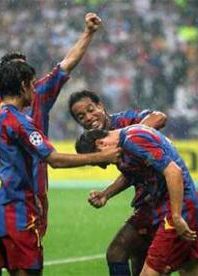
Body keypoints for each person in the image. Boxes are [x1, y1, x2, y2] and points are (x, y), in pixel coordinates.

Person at [0, 11, 102, 275]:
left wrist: (88, 33)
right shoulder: (0, 98)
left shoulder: (36, 94)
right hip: (17, 197)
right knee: (20, 262)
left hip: (20, 194)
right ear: (16, 80)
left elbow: (68, 63)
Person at [0, 60, 119, 275]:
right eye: (33, 84)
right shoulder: (20, 122)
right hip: (17, 210)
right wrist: (99, 157)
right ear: (24, 85)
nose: (35, 90)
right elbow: (53, 159)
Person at [76, 125, 198, 276]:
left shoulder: (133, 141)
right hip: (172, 206)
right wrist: (106, 194)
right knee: (191, 268)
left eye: (99, 160)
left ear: (101, 144)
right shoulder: (126, 144)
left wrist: (177, 217)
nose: (104, 166)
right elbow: (133, 173)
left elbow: (173, 171)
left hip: (179, 208)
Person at [69, 90, 167, 275]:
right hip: (149, 201)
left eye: (91, 109)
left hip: (165, 199)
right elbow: (131, 173)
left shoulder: (124, 122)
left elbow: (159, 117)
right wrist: (106, 193)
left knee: (118, 252)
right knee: (137, 260)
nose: (88, 117)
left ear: (100, 106)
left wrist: (126, 140)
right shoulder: (98, 142)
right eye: (81, 116)